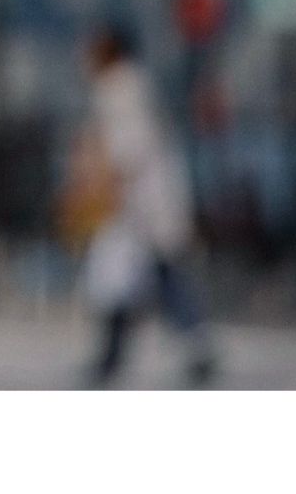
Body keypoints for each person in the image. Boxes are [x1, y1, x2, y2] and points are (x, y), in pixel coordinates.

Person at [80, 24, 217, 384]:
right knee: (135, 277)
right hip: (142, 201)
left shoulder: (120, 88)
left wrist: (105, 184)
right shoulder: (129, 84)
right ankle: (119, 355)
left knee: (150, 273)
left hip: (144, 201)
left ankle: (189, 348)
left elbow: (132, 146)